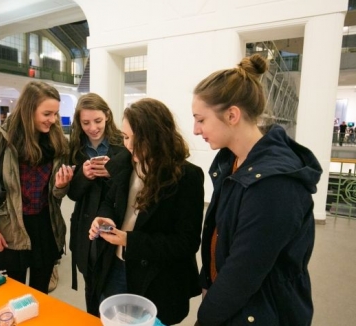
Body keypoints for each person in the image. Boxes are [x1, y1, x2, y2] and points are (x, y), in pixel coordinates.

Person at [191, 54, 322, 326]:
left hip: (263, 313)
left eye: (200, 120)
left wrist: (205, 318)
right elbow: (220, 232)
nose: (195, 130)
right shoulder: (232, 162)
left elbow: (244, 273)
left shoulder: (274, 185)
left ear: (232, 115)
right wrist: (208, 282)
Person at [88, 98, 205, 325]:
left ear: (156, 136)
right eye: (125, 137)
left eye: (135, 138)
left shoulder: (186, 177)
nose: (128, 145)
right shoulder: (124, 161)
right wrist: (104, 217)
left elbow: (186, 242)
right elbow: (110, 200)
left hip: (157, 277)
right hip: (117, 267)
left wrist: (130, 240)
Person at [0, 81, 72, 294]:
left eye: (56, 114)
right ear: (29, 110)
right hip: (9, 229)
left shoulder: (57, 139)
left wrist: (61, 185)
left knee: (40, 295)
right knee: (13, 296)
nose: (53, 120)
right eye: (47, 114)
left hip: (46, 227)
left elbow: (56, 194)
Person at [66, 93, 127, 316]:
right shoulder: (75, 148)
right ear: (79, 123)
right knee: (90, 281)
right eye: (86, 123)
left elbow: (129, 186)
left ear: (107, 117)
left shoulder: (122, 143)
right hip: (85, 224)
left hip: (115, 220)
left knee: (113, 280)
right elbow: (72, 194)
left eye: (98, 121)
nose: (93, 128)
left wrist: (114, 172)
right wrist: (83, 175)